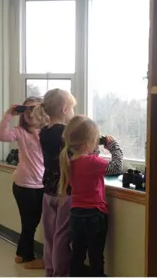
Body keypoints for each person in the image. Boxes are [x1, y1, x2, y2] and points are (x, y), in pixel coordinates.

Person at [59, 115, 123, 277]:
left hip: (76, 215)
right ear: (88, 143)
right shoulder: (93, 162)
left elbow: (87, 164)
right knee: (95, 256)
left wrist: (93, 149)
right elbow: (116, 167)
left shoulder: (69, 161)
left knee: (77, 254)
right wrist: (113, 146)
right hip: (95, 214)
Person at [0, 96, 47, 269]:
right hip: (24, 184)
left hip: (41, 184)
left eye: (35, 110)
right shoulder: (20, 132)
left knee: (31, 222)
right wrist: (8, 115)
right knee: (30, 222)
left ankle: (20, 253)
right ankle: (27, 257)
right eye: (27, 111)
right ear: (22, 114)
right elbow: (2, 136)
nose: (31, 114)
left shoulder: (47, 132)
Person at [31, 89, 77, 276]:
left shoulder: (44, 132)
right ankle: (60, 274)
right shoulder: (66, 133)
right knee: (62, 237)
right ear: (65, 109)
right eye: (73, 108)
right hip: (65, 191)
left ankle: (50, 271)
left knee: (50, 235)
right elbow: (75, 156)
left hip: (48, 190)